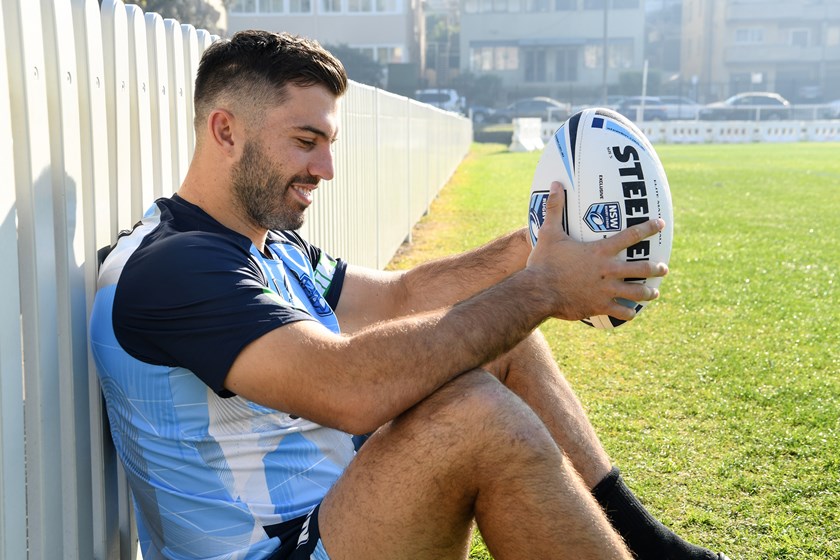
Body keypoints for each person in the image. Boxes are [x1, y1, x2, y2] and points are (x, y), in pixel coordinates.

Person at [90, 30, 730, 560]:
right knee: (476, 416)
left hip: (332, 513)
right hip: (277, 549)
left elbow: (404, 296)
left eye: (329, 145)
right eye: (306, 142)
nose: (326, 170)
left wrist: (541, 243)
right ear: (226, 131)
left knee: (506, 345)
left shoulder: (267, 242)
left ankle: (649, 545)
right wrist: (542, 288)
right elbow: (348, 389)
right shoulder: (172, 266)